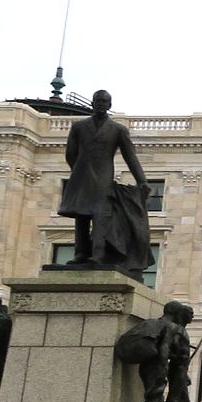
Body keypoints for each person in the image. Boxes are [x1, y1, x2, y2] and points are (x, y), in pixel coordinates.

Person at [59, 89, 152, 276]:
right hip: (81, 176)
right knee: (81, 216)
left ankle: (98, 254)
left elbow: (130, 157)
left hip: (103, 177)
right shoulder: (79, 127)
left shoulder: (118, 130)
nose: (101, 104)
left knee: (100, 215)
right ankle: (80, 253)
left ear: (110, 105)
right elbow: (71, 153)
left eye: (104, 101)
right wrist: (78, 169)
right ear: (93, 103)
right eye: (98, 101)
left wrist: (142, 180)